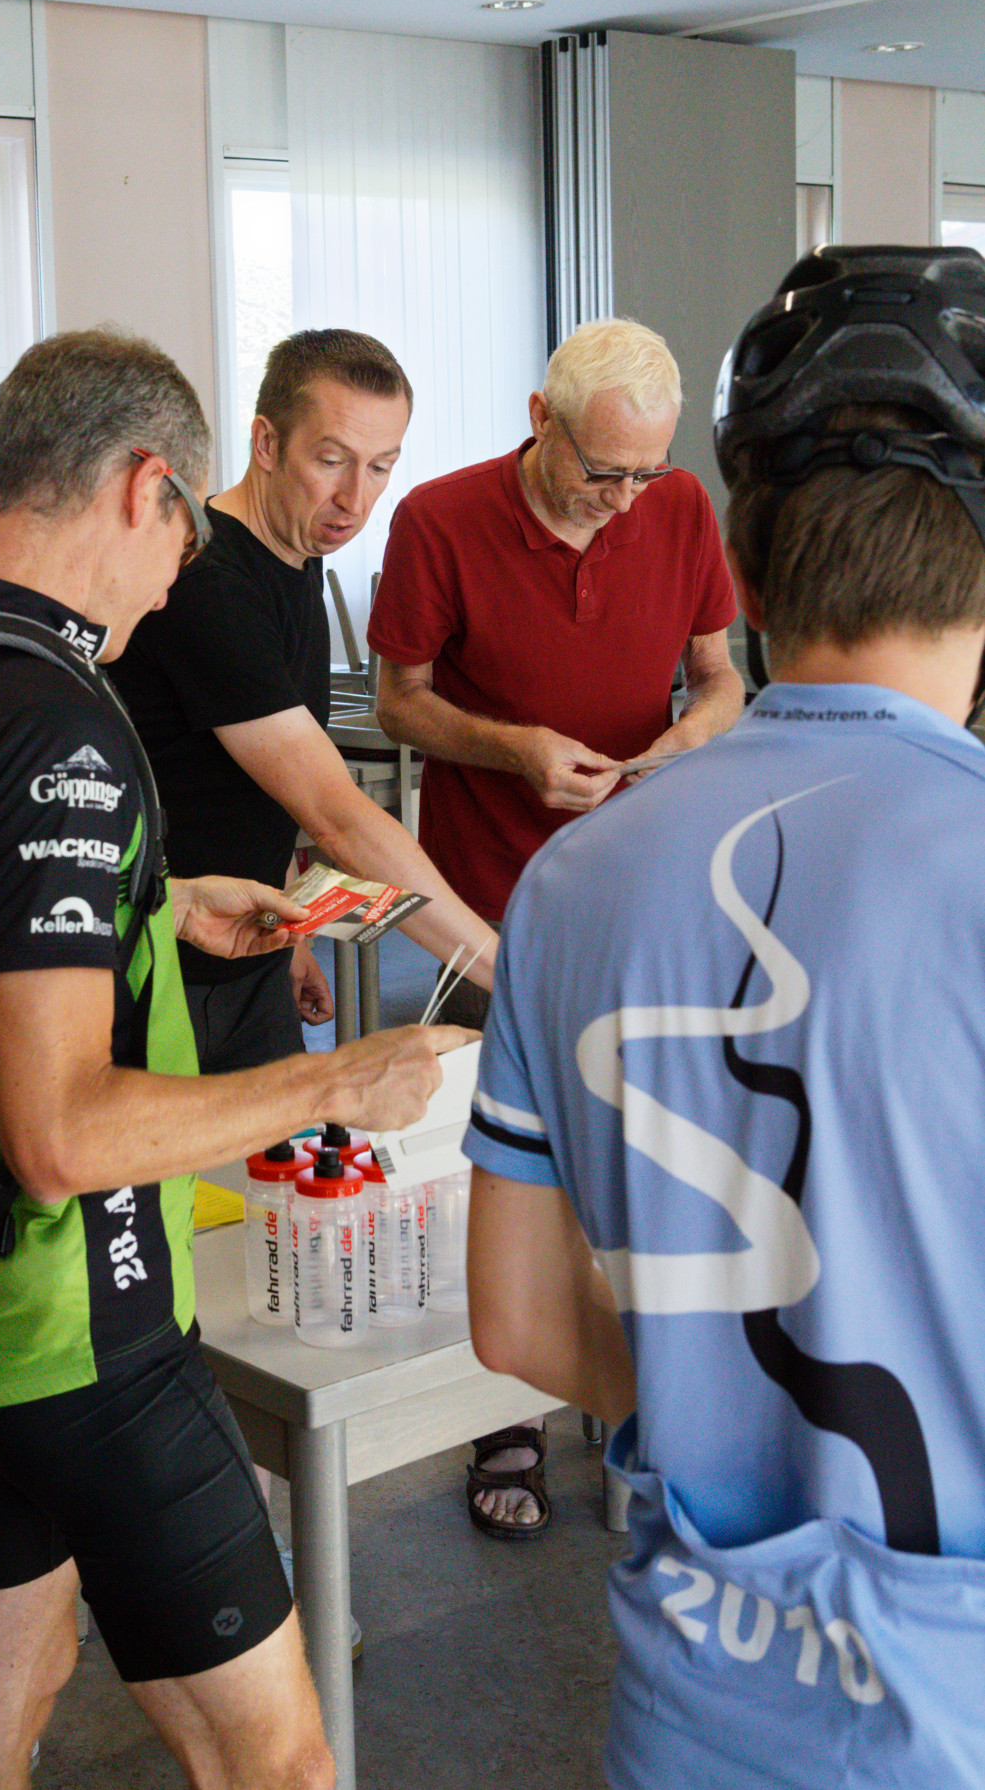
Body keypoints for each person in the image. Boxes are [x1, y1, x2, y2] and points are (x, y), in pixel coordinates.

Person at [0, 328, 472, 1790]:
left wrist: (159, 902)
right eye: (182, 531)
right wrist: (341, 1076)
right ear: (146, 486)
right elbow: (62, 1131)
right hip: (85, 1322)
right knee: (281, 1759)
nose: (176, 571)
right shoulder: (59, 718)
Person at [465, 245, 985, 1789]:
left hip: (698, 1692)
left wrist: (720, 1411)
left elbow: (518, 1319)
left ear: (741, 575)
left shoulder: (570, 881)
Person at [369, 316, 743, 1538]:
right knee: (506, 1170)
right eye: (602, 470)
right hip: (491, 900)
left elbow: (721, 676)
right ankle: (506, 1416)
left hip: (642, 894)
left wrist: (690, 738)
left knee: (640, 1154)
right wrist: (511, 747)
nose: (626, 499)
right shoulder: (438, 519)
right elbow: (399, 702)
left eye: (647, 471)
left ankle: (640, 1400)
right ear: (541, 419)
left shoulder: (676, 509)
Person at [111, 326, 498, 1084]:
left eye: (380, 466)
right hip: (167, 971)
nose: (355, 498)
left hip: (249, 951)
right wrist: (504, 971)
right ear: (266, 443)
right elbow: (337, 815)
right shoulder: (207, 582)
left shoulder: (295, 556)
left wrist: (292, 930)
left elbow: (263, 780)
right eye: (330, 461)